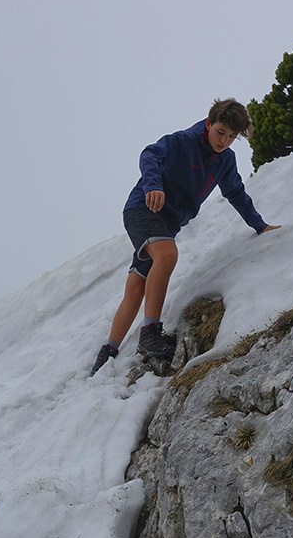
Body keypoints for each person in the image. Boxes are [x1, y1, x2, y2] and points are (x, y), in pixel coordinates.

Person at [90, 98, 280, 376]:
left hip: (167, 225)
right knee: (167, 254)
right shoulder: (184, 141)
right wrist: (153, 185)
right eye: (221, 132)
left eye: (231, 137)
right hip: (143, 209)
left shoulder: (225, 160)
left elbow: (236, 193)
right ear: (209, 123)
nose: (224, 141)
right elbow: (150, 154)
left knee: (137, 285)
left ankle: (107, 354)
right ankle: (150, 332)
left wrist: (260, 226)